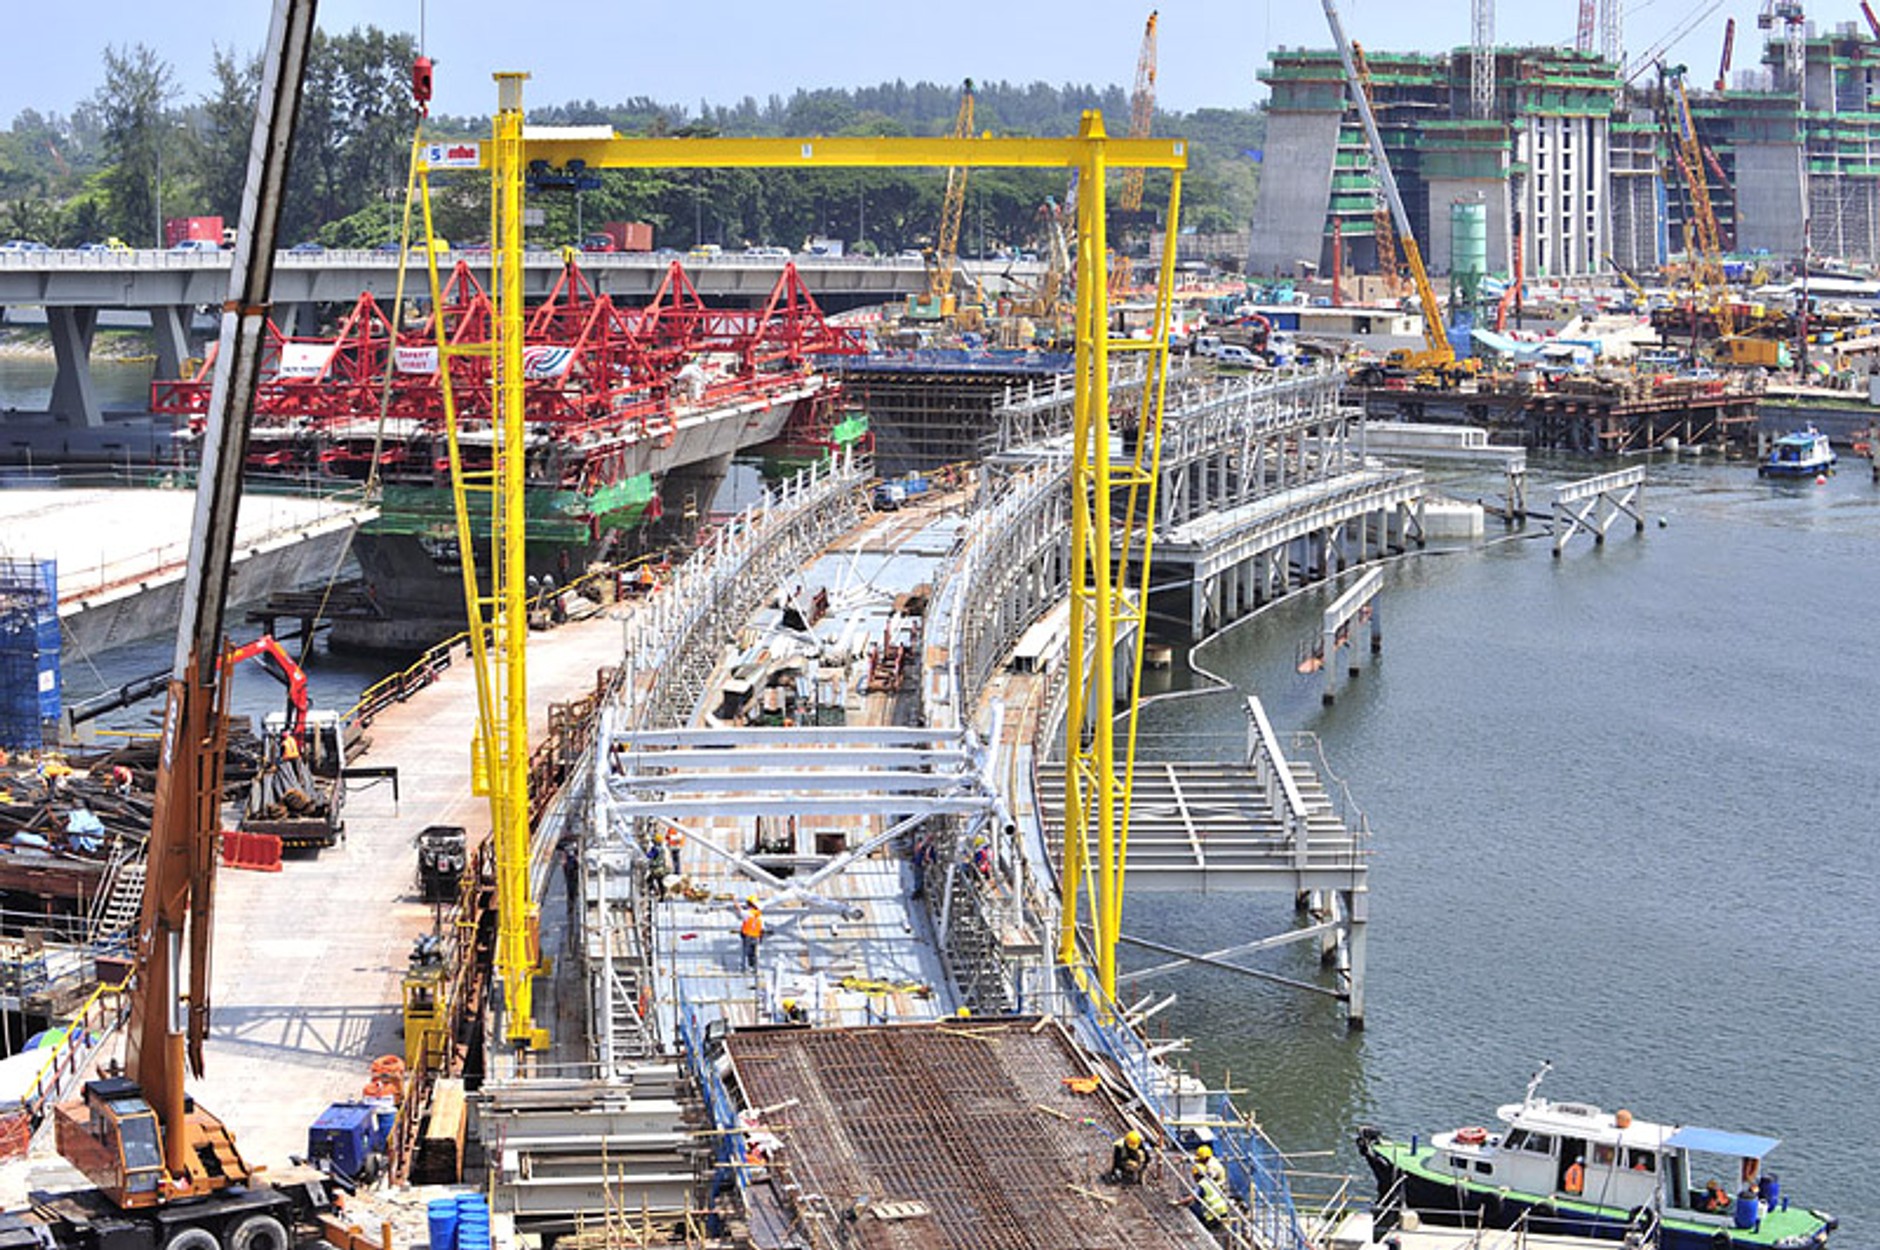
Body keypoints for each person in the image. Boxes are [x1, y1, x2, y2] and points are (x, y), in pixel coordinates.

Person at [739, 897, 764, 971]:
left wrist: (735, 901)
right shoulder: (759, 915)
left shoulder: (748, 913)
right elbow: (762, 928)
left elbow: (739, 911)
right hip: (756, 936)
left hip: (747, 935)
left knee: (745, 952)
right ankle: (754, 967)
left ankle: (744, 968)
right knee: (754, 952)